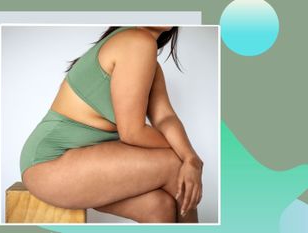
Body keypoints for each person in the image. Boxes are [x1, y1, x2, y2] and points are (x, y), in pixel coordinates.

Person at [19, 26, 204, 223]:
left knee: (158, 207)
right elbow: (133, 133)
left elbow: (165, 117)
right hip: (51, 163)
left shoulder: (148, 58)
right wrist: (184, 156)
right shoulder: (137, 41)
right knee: (175, 165)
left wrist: (191, 157)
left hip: (87, 161)